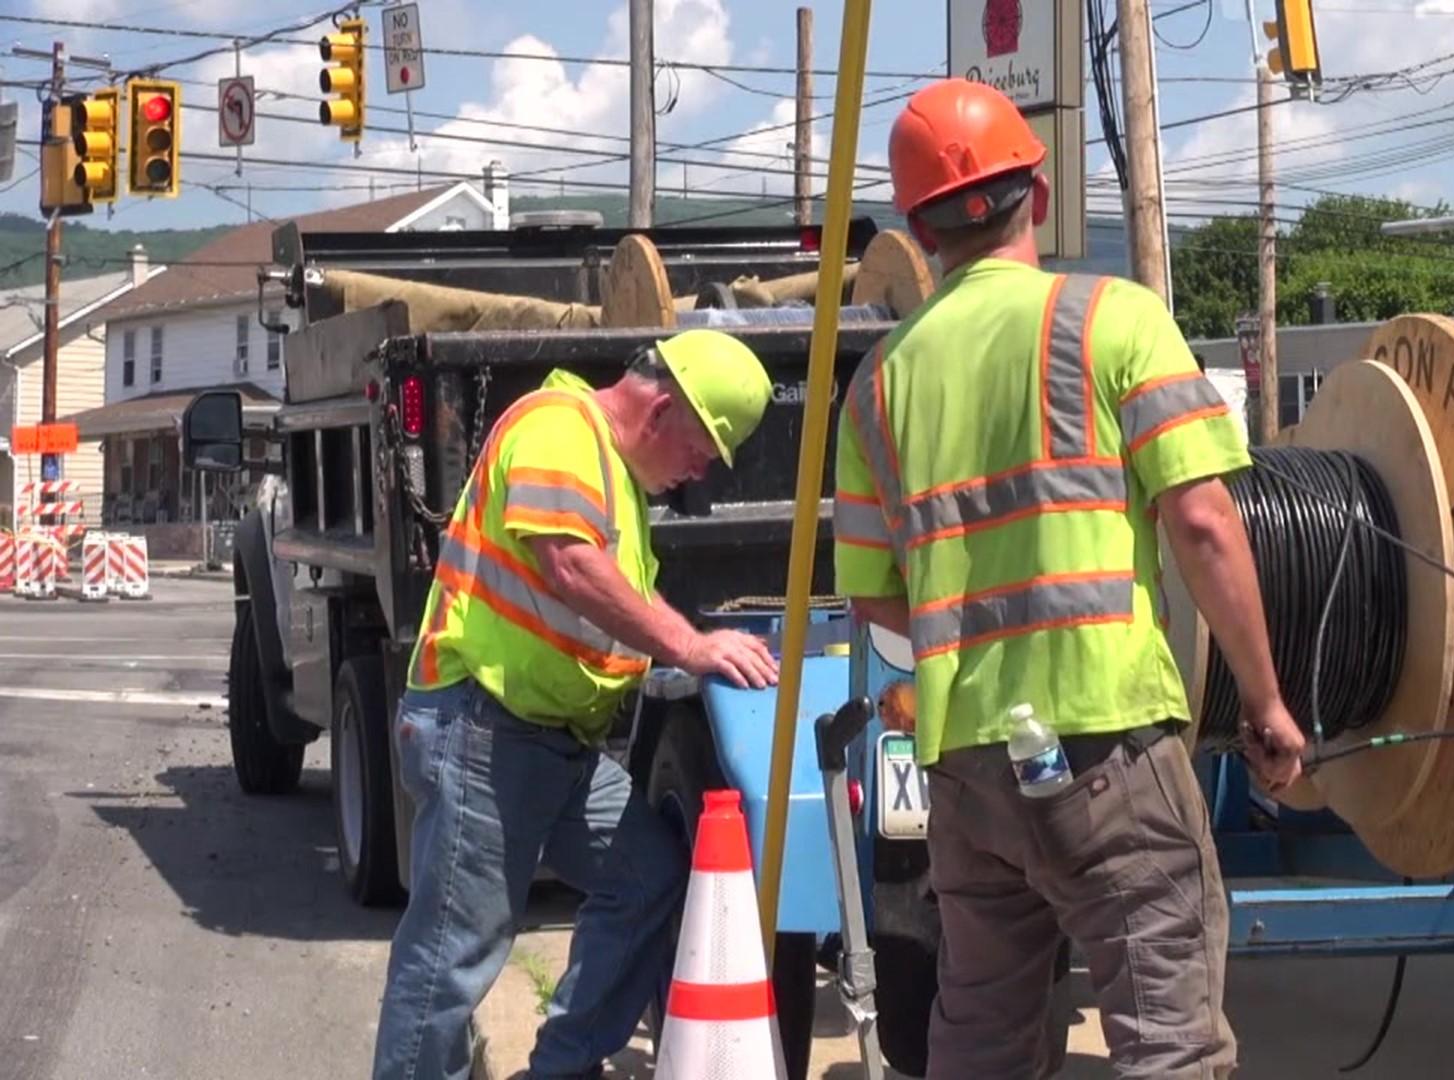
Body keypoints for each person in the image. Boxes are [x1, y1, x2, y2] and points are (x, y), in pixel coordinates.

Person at [831, 80, 1307, 1080]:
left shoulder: (877, 385)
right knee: (1167, 1036)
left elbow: (875, 595)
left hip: (967, 767)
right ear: (1036, 197)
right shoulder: (1111, 319)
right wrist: (1265, 702)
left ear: (919, 229)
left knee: (985, 1038)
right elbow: (1204, 520)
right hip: (1107, 749)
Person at [372, 329, 783, 1080]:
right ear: (660, 411)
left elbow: (616, 585)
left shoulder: (614, 474)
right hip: (483, 726)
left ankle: (559, 1069)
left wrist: (682, 645)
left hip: (549, 742)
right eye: (701, 451)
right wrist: (689, 648)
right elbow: (569, 564)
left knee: (648, 878)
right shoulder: (557, 424)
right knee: (449, 960)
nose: (699, 474)